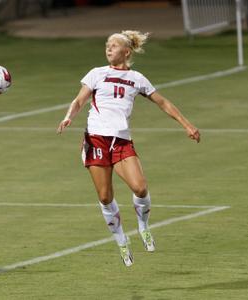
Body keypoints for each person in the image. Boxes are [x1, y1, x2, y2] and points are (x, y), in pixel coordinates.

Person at [57, 31, 200, 267]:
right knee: (105, 196)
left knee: (140, 188)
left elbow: (162, 102)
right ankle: (122, 241)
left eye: (114, 45)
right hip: (96, 140)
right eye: (107, 45)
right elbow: (79, 100)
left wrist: (187, 125)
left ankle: (143, 226)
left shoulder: (137, 78)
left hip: (122, 141)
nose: (109, 48)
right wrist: (69, 117)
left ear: (127, 51)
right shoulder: (96, 74)